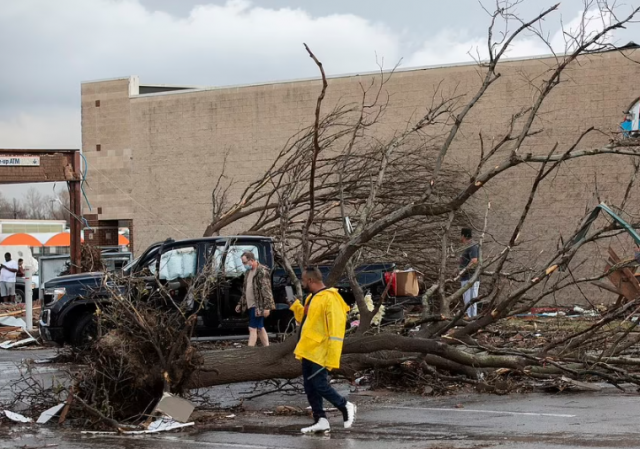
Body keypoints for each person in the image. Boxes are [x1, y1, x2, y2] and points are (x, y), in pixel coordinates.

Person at [289, 267, 356, 434]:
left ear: (310, 280)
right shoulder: (312, 298)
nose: (302, 284)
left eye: (303, 281)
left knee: (320, 385)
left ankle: (345, 405)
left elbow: (336, 331)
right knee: (310, 386)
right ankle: (321, 419)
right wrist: (295, 306)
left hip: (321, 351)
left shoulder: (330, 298)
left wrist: (331, 357)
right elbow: (306, 320)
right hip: (308, 349)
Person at [235, 251, 275, 347]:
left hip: (258, 305)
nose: (244, 265)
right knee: (260, 327)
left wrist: (267, 307)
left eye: (245, 262)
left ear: (251, 260)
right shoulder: (248, 272)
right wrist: (240, 303)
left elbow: (266, 290)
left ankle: (250, 350)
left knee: (252, 328)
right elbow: (246, 290)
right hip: (251, 304)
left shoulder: (261, 271)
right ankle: (267, 348)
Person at [460, 228, 480, 318]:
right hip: (465, 278)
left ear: (463, 236)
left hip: (471, 278)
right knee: (466, 301)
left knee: (470, 301)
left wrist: (463, 271)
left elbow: (474, 261)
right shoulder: (467, 247)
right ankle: (468, 319)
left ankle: (472, 320)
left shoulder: (472, 246)